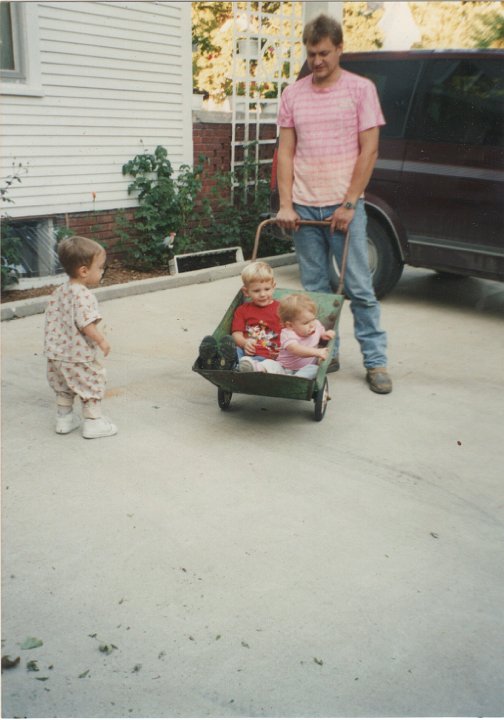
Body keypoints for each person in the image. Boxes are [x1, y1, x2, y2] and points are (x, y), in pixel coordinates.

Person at [275, 13, 392, 394]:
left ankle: (376, 363)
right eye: (311, 54)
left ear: (340, 48)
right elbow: (286, 152)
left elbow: (369, 150)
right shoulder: (293, 94)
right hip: (304, 208)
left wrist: (349, 202)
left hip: (344, 207)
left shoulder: (361, 90)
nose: (317, 61)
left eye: (324, 53)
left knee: (358, 286)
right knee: (314, 291)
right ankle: (327, 352)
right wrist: (286, 204)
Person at [44, 236, 118, 439]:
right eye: (101, 267)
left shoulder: (59, 292)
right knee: (91, 382)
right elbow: (86, 323)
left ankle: (64, 419)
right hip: (78, 355)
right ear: (84, 271)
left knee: (64, 386)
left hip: (56, 354)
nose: (102, 271)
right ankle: (93, 423)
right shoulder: (83, 295)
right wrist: (101, 340)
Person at [197, 261, 281, 371]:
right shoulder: (242, 310)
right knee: (234, 350)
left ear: (273, 287)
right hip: (244, 351)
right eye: (256, 290)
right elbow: (236, 334)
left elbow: (289, 333)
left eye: (267, 289)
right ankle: (215, 360)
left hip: (266, 356)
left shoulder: (281, 309)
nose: (262, 294)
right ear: (246, 292)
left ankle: (231, 366)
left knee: (264, 365)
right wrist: (245, 343)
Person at [239, 293, 335, 380]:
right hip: (284, 368)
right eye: (306, 323)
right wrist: (317, 352)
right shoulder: (287, 334)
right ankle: (254, 367)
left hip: (306, 368)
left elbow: (321, 332)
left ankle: (297, 379)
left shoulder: (316, 324)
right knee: (271, 364)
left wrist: (325, 334)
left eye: (313, 319)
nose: (312, 325)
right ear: (290, 325)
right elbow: (296, 349)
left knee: (314, 369)